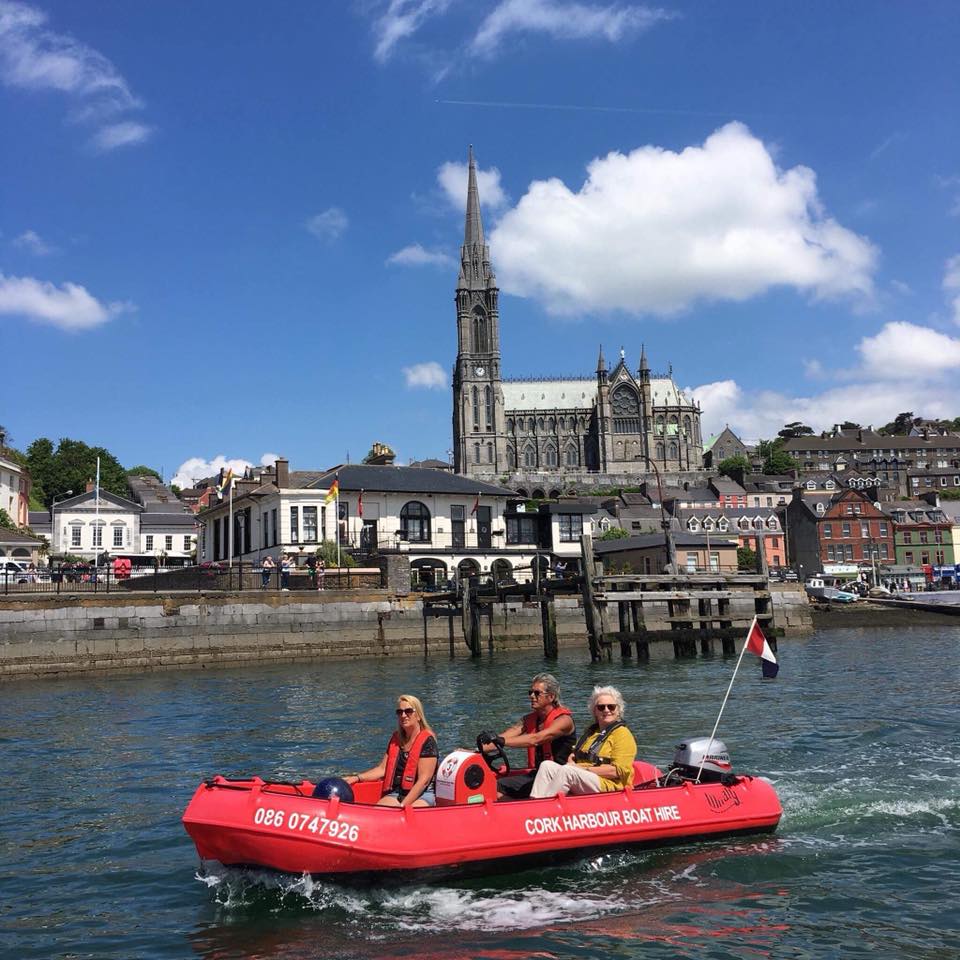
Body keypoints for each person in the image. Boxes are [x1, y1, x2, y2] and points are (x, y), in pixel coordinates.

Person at [529, 685, 636, 798]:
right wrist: (572, 758)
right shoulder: (591, 733)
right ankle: (536, 802)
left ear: (618, 710)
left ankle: (546, 808)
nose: (606, 710)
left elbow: (617, 771)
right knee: (546, 766)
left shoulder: (623, 734)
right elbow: (578, 754)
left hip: (609, 784)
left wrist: (582, 769)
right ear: (595, 711)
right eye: (601, 707)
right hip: (585, 776)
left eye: (611, 707)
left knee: (567, 771)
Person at [481, 673, 576, 800]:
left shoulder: (564, 720)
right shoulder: (528, 720)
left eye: (537, 693)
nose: (532, 696)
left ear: (551, 696)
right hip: (537, 774)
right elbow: (501, 738)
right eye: (530, 692)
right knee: (492, 786)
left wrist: (502, 741)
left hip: (558, 777)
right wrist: (474, 751)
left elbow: (536, 739)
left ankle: (522, 811)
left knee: (496, 788)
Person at [342, 695, 438, 807]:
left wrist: (402, 806)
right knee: (378, 810)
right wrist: (357, 777)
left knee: (403, 815)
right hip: (399, 792)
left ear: (418, 716)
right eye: (399, 712)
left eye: (408, 711)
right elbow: (382, 769)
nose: (403, 715)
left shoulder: (428, 741)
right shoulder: (396, 739)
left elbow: (424, 781)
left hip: (423, 794)